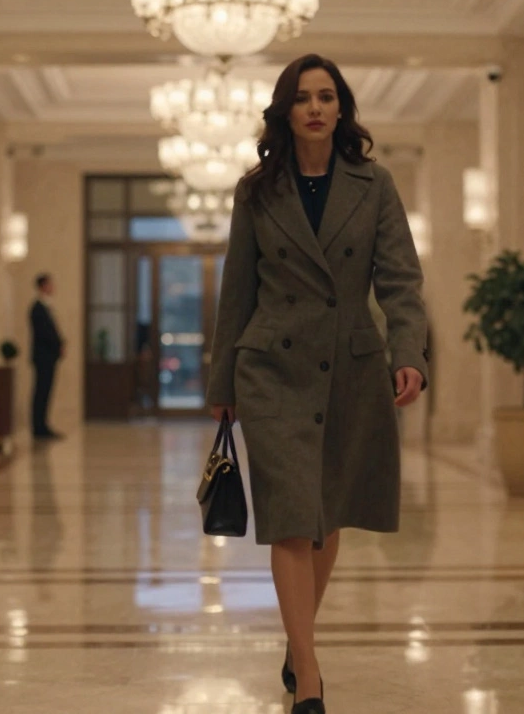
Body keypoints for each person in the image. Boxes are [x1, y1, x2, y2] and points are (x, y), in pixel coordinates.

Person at [207, 54, 429, 714]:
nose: (314, 108)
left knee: (326, 518)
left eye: (326, 96)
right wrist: (222, 381)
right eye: (302, 97)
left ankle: (295, 638)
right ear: (285, 110)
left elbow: (400, 279)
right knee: (290, 519)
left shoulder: (373, 184)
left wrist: (408, 352)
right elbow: (236, 288)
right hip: (271, 369)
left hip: (349, 368)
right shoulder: (257, 191)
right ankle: (308, 674)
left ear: (341, 109)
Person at [29, 273, 65, 440]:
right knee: (41, 391)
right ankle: (38, 427)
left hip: (49, 357)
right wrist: (57, 344)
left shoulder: (46, 307)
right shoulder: (37, 308)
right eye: (50, 284)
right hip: (43, 357)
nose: (53, 287)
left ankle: (42, 424)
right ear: (43, 286)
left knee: (46, 391)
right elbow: (45, 333)